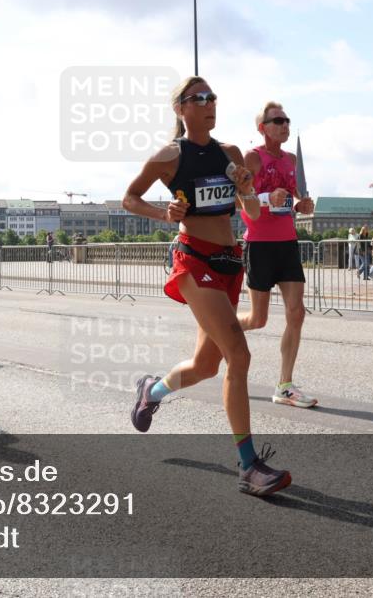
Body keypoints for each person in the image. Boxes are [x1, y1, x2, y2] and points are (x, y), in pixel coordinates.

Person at [124, 76, 291, 497]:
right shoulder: (168, 157)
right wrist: (166, 212)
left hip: (229, 262)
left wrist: (247, 189)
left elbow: (250, 212)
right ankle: (249, 465)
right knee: (239, 352)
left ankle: (151, 390)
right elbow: (130, 198)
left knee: (205, 366)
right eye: (199, 97)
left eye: (213, 96)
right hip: (193, 260)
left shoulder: (231, 154)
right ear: (181, 108)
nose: (209, 102)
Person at [237, 101, 319, 409]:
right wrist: (265, 198)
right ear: (262, 128)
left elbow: (297, 198)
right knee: (258, 319)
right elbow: (237, 200)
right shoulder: (251, 158)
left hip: (287, 242)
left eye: (286, 120)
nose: (284, 125)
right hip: (259, 243)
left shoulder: (291, 159)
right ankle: (220, 330)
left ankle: (285, 386)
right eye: (277, 121)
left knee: (296, 314)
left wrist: (303, 207)